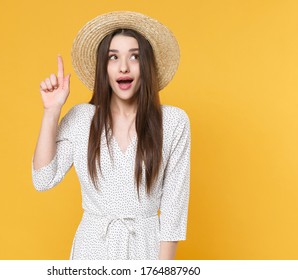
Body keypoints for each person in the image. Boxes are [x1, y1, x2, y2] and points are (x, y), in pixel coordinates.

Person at [32, 11, 191, 260]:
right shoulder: (82, 118)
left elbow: (173, 213)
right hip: (92, 251)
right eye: (113, 57)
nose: (124, 67)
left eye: (135, 57)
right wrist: (51, 112)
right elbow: (43, 179)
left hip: (144, 250)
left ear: (147, 66)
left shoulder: (173, 122)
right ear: (103, 67)